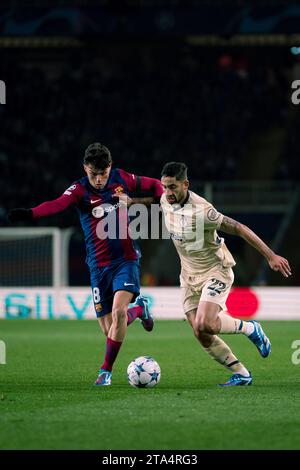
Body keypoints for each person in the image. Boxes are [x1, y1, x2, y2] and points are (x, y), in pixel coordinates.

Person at [9, 142, 163, 386]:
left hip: (126, 259)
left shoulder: (121, 178)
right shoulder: (79, 190)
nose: (99, 179)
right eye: (94, 174)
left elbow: (156, 185)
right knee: (109, 328)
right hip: (97, 266)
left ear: (109, 167)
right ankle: (140, 310)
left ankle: (105, 372)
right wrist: (30, 213)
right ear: (85, 168)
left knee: (119, 312)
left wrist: (160, 200)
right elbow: (56, 204)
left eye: (103, 174)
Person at [160, 162, 292, 387]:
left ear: (185, 184)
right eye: (164, 187)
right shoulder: (164, 198)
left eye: (172, 187)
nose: (168, 192)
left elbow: (239, 227)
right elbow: (151, 197)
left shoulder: (203, 211)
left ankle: (250, 328)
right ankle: (241, 373)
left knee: (206, 323)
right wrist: (129, 201)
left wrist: (270, 255)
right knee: (199, 331)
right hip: (188, 276)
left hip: (215, 270)